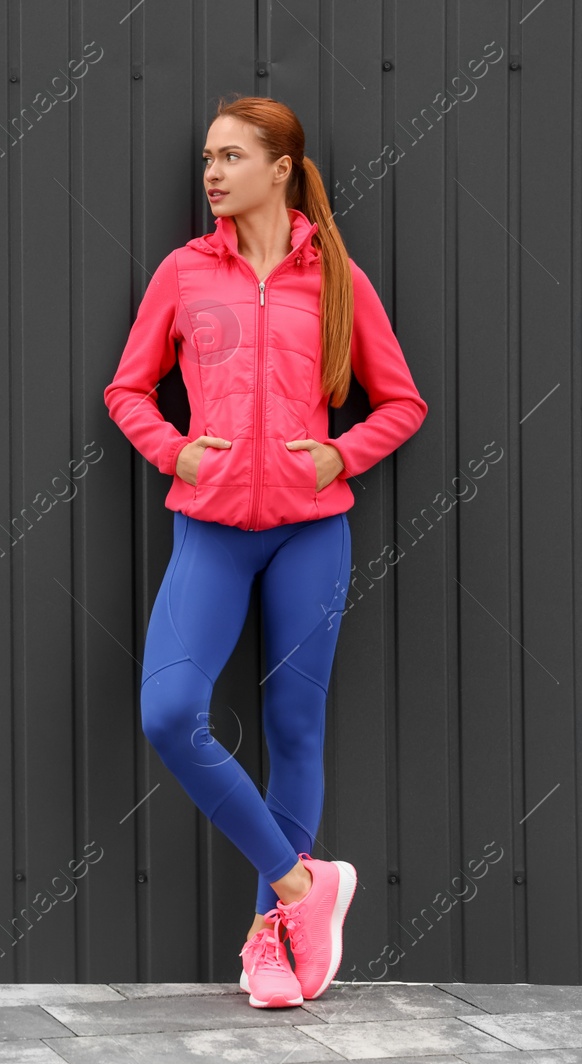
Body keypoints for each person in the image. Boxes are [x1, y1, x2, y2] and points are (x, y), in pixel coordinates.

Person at [102, 95, 428, 1009]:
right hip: (209, 531)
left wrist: (341, 451)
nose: (210, 172)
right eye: (206, 156)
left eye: (231, 156)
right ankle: (302, 885)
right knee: (171, 710)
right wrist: (174, 450)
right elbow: (128, 388)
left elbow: (402, 402)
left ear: (281, 167)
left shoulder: (337, 280)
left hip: (309, 533)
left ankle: (272, 946)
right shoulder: (183, 273)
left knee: (294, 731)